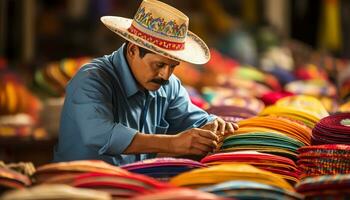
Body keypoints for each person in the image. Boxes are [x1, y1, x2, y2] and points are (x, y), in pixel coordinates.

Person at [53, 0, 238, 166]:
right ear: (133, 50)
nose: (165, 75)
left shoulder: (169, 85)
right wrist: (172, 143)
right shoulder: (92, 79)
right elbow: (100, 135)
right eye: (159, 65)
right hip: (78, 185)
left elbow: (191, 120)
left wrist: (213, 125)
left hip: (133, 185)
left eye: (172, 66)